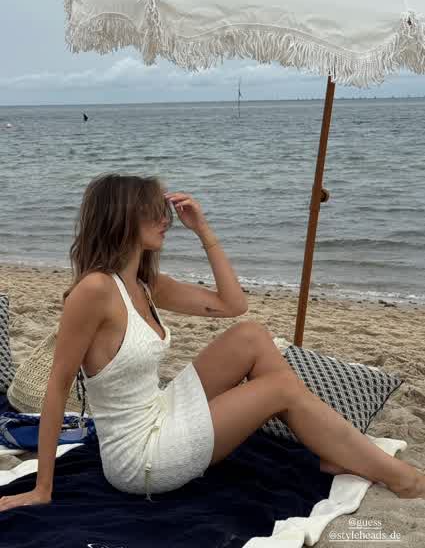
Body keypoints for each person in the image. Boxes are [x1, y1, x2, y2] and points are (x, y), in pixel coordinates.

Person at [1, 173, 425, 511]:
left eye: (165, 212)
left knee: (251, 335)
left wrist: (202, 229)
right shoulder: (94, 291)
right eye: (154, 213)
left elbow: (233, 305)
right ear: (122, 218)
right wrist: (42, 489)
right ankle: (398, 476)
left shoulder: (146, 283)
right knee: (278, 388)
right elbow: (57, 387)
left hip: (161, 410)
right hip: (140, 457)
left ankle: (332, 448)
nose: (165, 220)